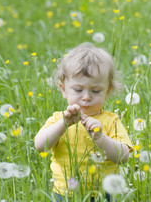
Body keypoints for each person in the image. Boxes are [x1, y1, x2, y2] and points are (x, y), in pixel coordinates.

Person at [34, 43, 133, 201]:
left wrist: (101, 139)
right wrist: (63, 125)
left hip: (104, 192)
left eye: (95, 91)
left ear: (107, 91)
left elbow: (123, 156)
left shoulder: (111, 121)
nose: (86, 97)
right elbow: (40, 146)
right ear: (63, 89)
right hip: (65, 192)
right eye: (78, 90)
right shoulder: (58, 119)